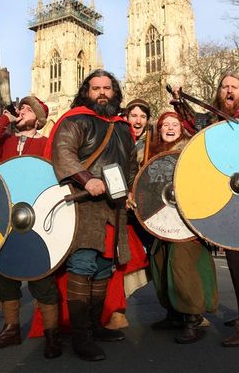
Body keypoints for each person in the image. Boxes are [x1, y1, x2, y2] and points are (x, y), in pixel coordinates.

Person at [43, 69, 138, 361]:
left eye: (106, 88)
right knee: (82, 265)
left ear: (115, 91)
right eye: (95, 87)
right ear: (87, 91)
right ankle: (80, 337)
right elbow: (63, 153)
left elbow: (130, 163)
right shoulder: (75, 120)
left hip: (114, 207)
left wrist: (132, 190)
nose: (101, 93)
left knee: (101, 267)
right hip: (83, 205)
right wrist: (87, 179)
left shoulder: (122, 126)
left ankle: (95, 327)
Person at [173, 71, 239, 347]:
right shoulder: (217, 119)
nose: (228, 90)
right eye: (224, 86)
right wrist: (180, 102)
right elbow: (195, 124)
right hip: (231, 195)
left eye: (233, 87)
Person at [0, 96, 62, 359]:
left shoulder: (47, 144)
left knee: (42, 278)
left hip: (36, 218)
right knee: (4, 276)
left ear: (38, 118)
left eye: (27, 109)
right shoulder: (5, 139)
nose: (21, 111)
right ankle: (11, 329)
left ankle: (51, 334)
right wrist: (4, 119)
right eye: (21, 108)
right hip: (6, 216)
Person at [148, 111, 218, 344]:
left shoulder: (191, 151)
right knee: (160, 264)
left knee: (181, 266)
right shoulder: (151, 152)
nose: (169, 128)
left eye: (174, 124)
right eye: (164, 124)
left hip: (187, 221)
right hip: (162, 219)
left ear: (181, 128)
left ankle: (192, 318)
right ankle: (174, 314)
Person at [103, 99, 152, 330]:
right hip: (123, 208)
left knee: (159, 258)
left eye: (142, 116)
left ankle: (184, 311)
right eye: (134, 116)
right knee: (121, 258)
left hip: (149, 209)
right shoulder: (118, 138)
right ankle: (115, 311)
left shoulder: (153, 141)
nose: (138, 120)